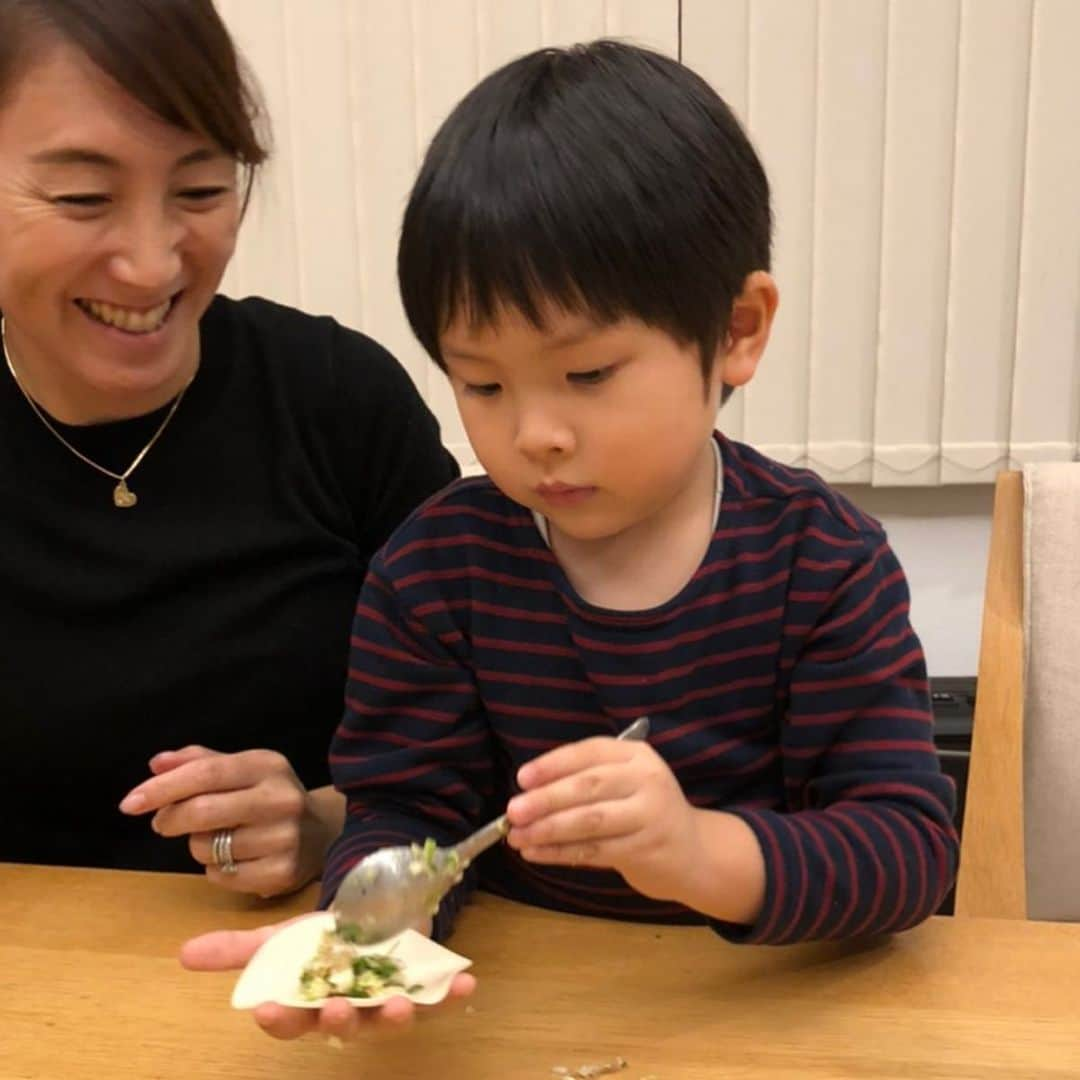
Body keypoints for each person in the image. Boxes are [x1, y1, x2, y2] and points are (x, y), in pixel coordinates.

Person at [182, 40, 958, 1037]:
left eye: (587, 375)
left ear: (737, 330)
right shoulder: (435, 574)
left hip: (776, 1012)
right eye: (484, 384)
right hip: (529, 1005)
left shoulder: (820, 560)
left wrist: (694, 851)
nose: (535, 432)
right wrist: (366, 937)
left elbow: (906, 849)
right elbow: (406, 810)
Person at [0, 0, 458, 897]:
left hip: (307, 988)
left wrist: (334, 823)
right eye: (84, 198)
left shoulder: (338, 403)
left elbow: (489, 742)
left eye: (202, 191)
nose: (153, 262)